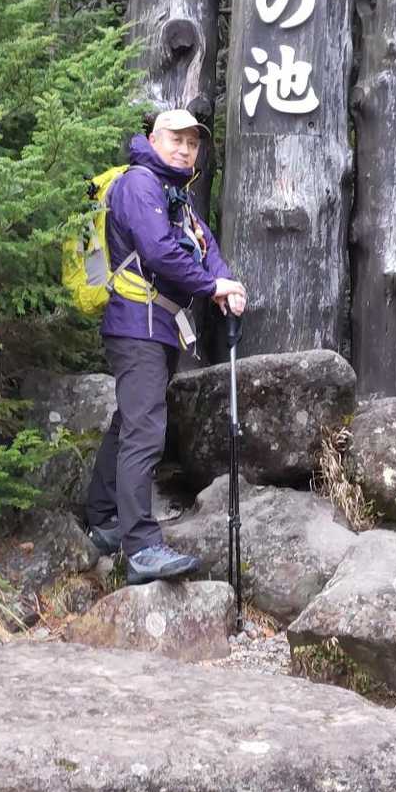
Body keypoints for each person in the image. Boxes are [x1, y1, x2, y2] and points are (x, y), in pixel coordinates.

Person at [83, 107, 247, 581]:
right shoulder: (140, 184)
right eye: (176, 139)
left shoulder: (177, 195)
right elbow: (157, 250)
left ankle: (104, 520)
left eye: (193, 143)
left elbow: (205, 247)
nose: (185, 149)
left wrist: (226, 283)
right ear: (153, 140)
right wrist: (211, 287)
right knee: (145, 430)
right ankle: (141, 548)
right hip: (135, 323)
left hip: (157, 324)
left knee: (130, 421)